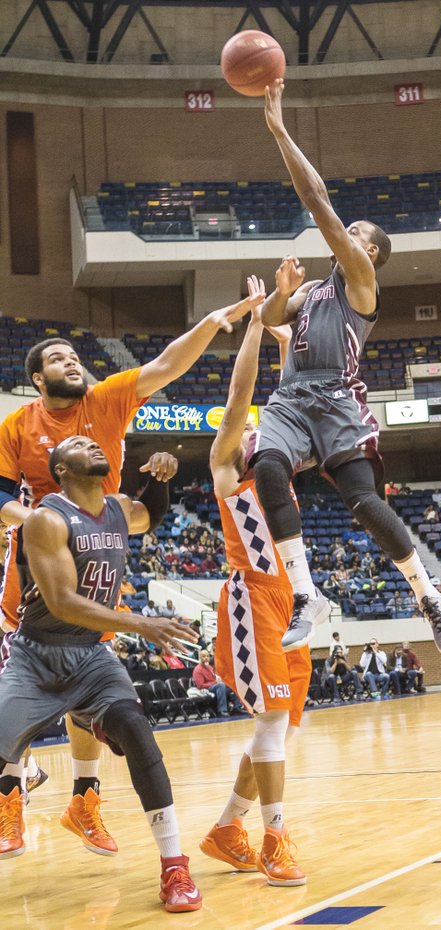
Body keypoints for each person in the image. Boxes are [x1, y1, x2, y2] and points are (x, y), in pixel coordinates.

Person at [0, 290, 260, 850]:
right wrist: (47, 518)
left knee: (83, 676)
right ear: (38, 381)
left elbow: (167, 364)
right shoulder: (18, 424)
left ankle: (84, 797)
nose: (72, 362)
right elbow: (1, 499)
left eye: (75, 355)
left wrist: (212, 324)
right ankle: (11, 799)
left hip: (100, 547)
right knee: (21, 683)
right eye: (58, 359)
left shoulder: (107, 398)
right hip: (37, 558)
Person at [249, 79, 441, 660]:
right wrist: (280, 291)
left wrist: (279, 130)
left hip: (338, 399)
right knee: (267, 468)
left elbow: (318, 201)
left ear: (369, 254)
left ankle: (429, 596)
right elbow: (273, 317)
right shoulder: (317, 289)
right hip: (293, 397)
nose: (349, 236)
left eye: (358, 235)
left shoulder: (361, 285)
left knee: (365, 506)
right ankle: (306, 596)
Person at [0, 437, 202, 911]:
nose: (90, 442)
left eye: (92, 441)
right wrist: (141, 623)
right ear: (60, 469)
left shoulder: (116, 508)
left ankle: (174, 866)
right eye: (77, 443)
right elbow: (63, 601)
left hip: (91, 656)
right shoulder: (46, 519)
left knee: (135, 728)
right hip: (38, 657)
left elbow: (148, 516)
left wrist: (159, 481)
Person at [199, 279, 310, 887]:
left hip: (292, 602)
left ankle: (226, 827)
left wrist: (292, 336)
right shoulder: (225, 471)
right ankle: (275, 837)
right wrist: (256, 329)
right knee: (271, 725)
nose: (251, 430)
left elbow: (297, 394)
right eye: (244, 430)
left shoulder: (278, 465)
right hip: (252, 598)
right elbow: (242, 396)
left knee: (284, 726)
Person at [192, 649, 243, 717]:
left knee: (231, 684)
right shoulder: (197, 670)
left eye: (207, 656)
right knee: (220, 685)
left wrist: (219, 681)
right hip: (205, 690)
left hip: (215, 687)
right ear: (200, 658)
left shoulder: (210, 667)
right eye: (203, 656)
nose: (206, 658)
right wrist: (215, 683)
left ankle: (237, 707)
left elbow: (214, 680)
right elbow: (200, 686)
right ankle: (222, 710)